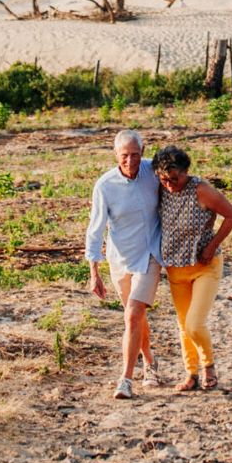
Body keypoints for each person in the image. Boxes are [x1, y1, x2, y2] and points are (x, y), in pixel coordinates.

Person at [152, 146, 232, 391]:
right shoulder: (161, 189)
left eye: (174, 179)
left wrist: (213, 245)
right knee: (182, 325)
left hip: (205, 265)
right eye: (164, 179)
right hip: (175, 268)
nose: (169, 184)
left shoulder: (201, 190)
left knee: (194, 323)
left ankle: (208, 365)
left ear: (186, 172)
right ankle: (191, 374)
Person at [86, 129, 163, 399]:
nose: (130, 161)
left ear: (143, 151)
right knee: (136, 317)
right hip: (120, 259)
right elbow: (95, 230)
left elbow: (181, 185)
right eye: (124, 156)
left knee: (132, 315)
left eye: (135, 154)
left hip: (150, 255)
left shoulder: (154, 172)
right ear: (115, 155)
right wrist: (94, 272)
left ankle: (126, 380)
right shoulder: (105, 185)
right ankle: (151, 363)